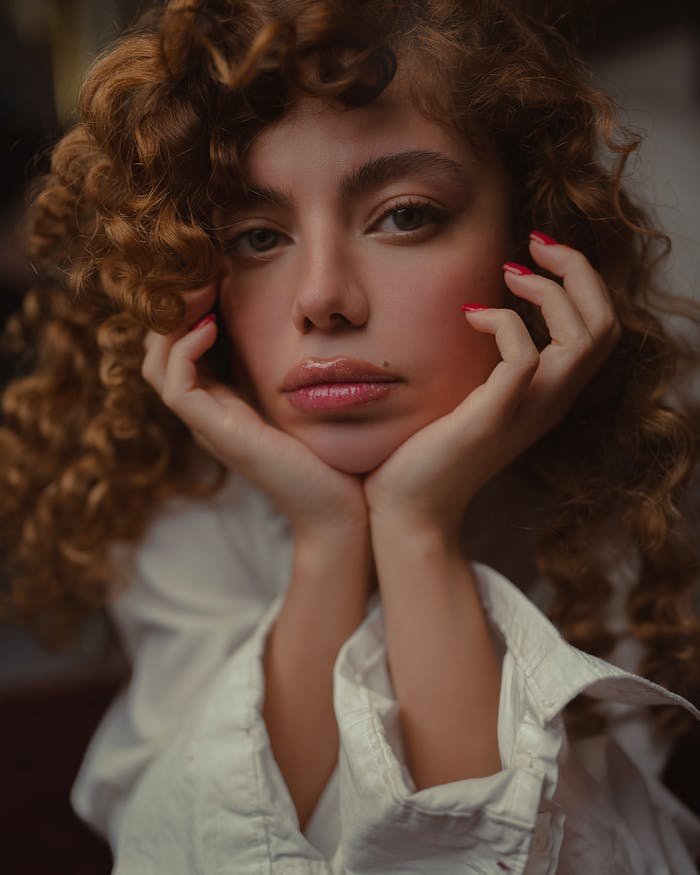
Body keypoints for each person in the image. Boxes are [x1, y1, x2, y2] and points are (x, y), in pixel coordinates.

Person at [1, 0, 699, 871]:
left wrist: (416, 526)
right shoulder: (178, 499)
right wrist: (327, 534)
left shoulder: (625, 496)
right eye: (258, 237)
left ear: (531, 244)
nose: (322, 297)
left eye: (405, 215)